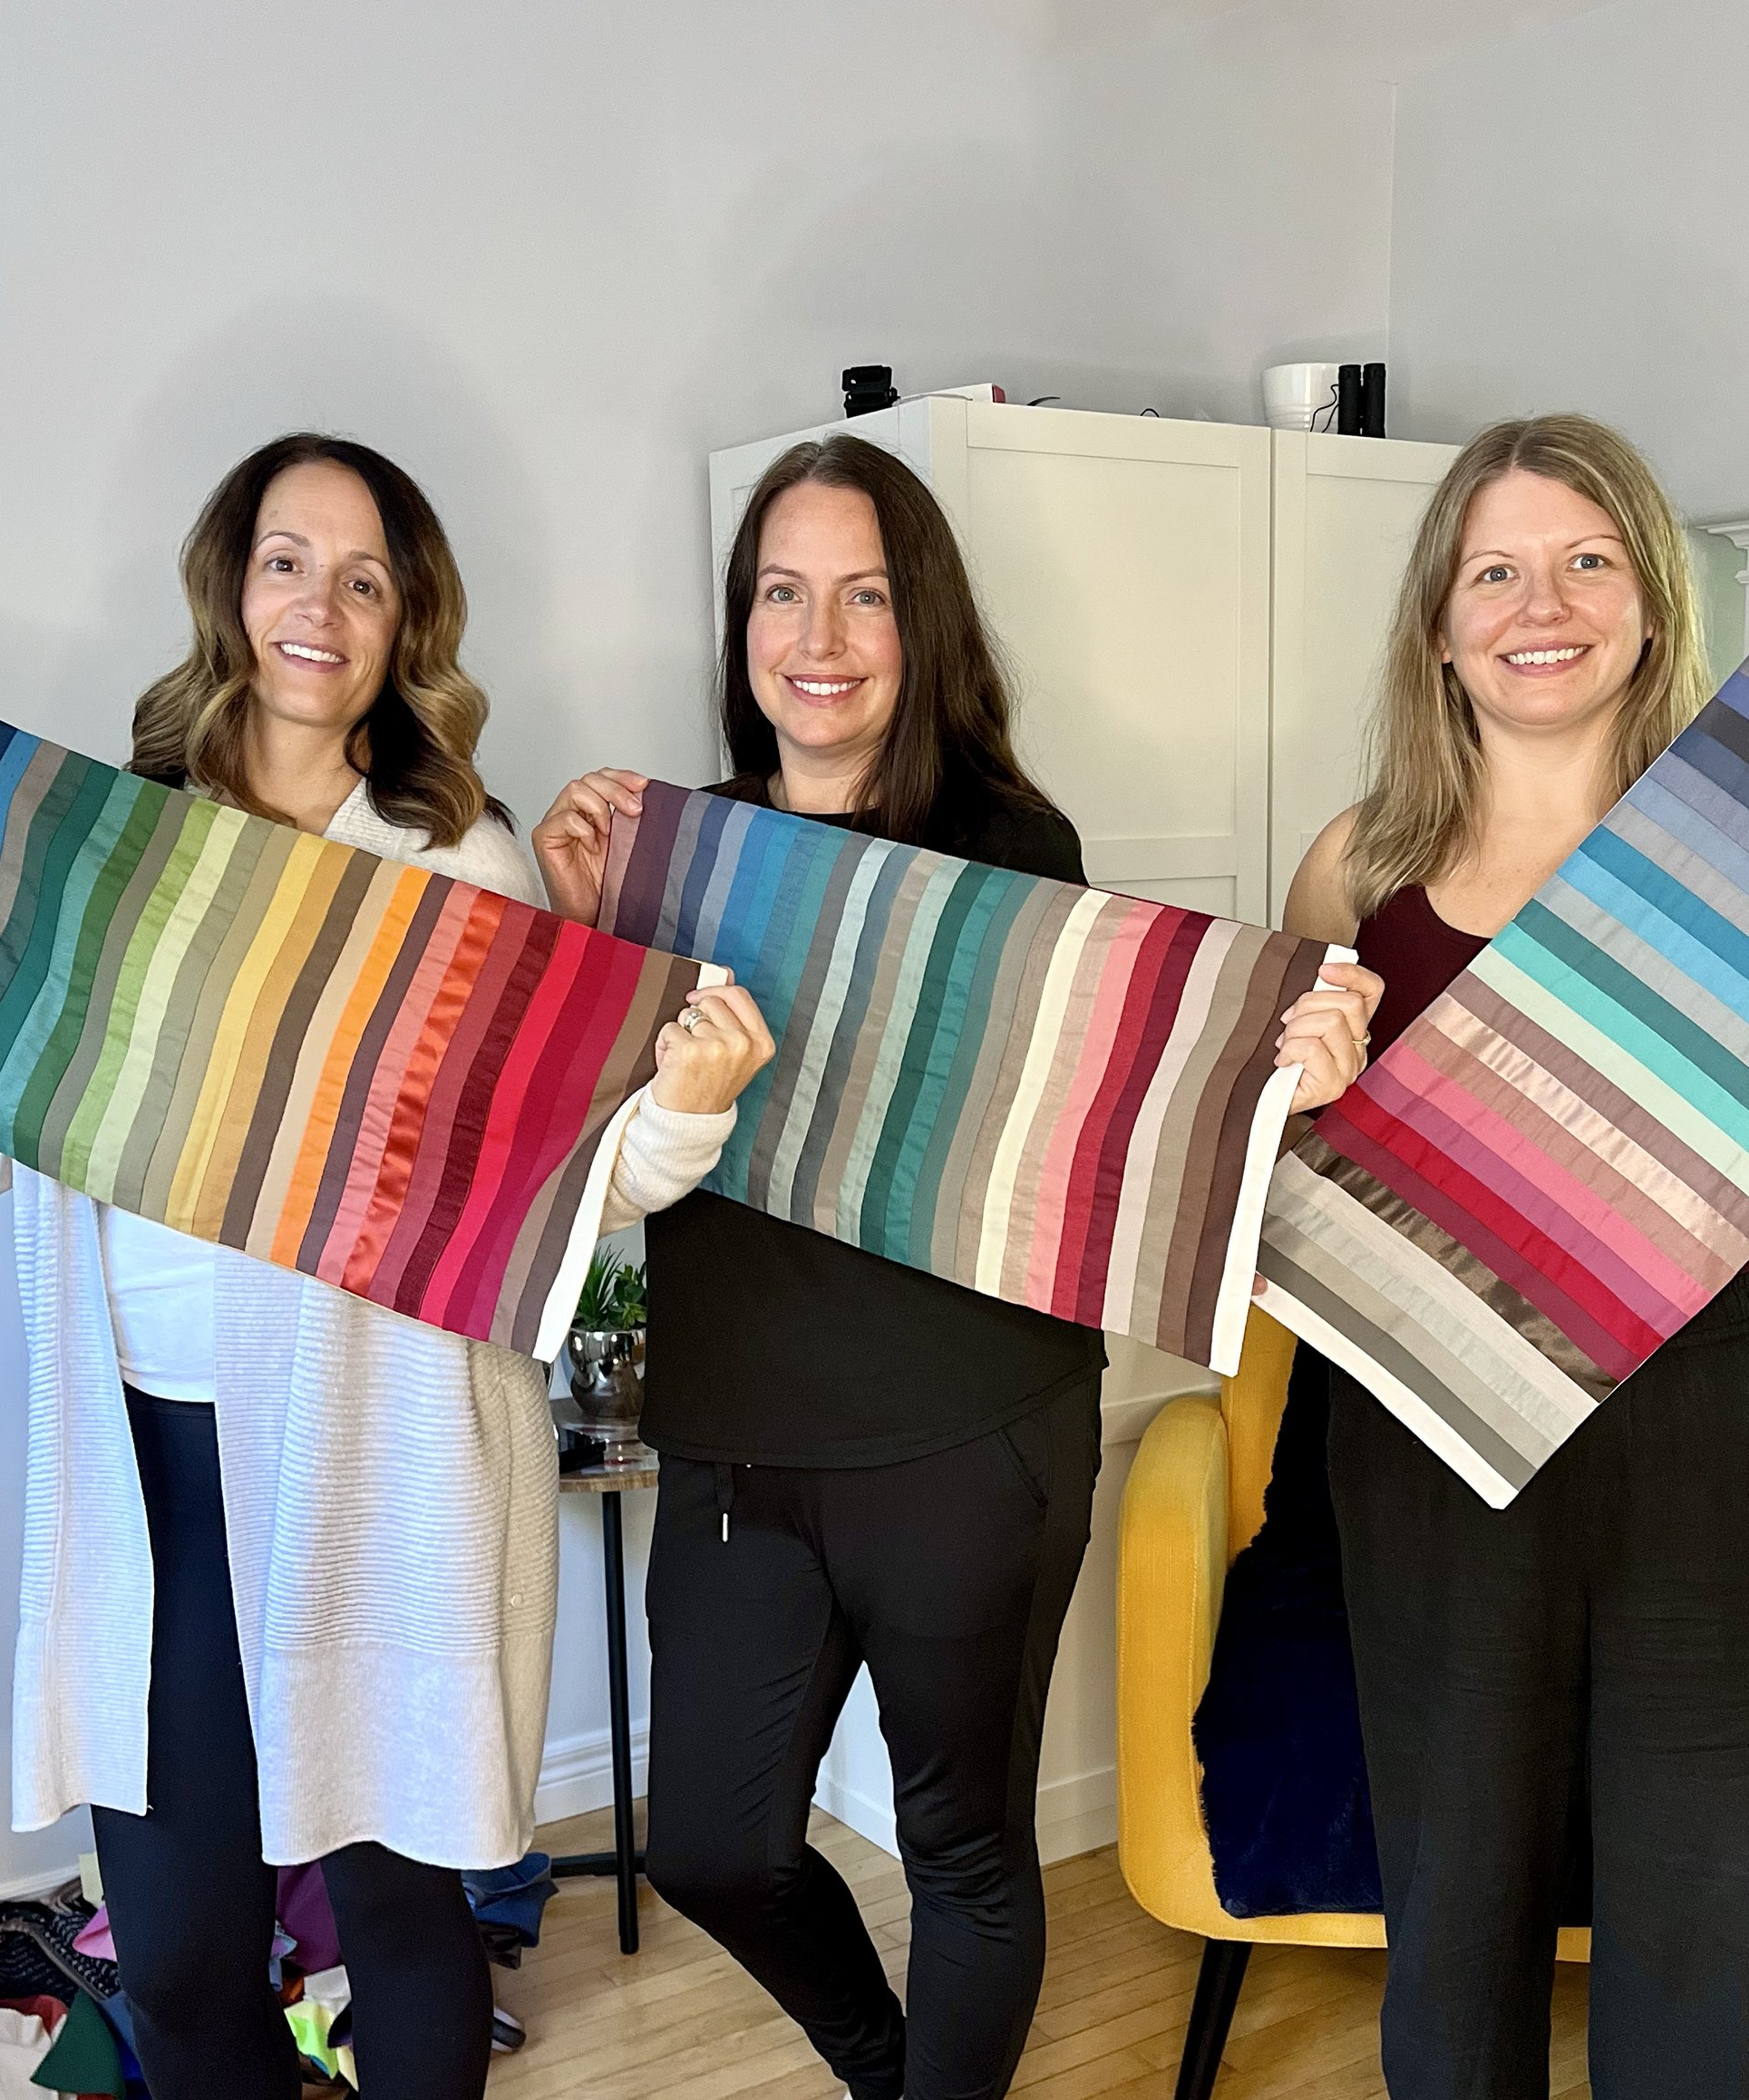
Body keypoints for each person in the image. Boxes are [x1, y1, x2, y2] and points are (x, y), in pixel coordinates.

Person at [0, 433, 773, 2100]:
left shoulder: (460, 866)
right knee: (184, 1938)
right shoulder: (115, 846)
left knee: (398, 1905)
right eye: (290, 560)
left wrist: (692, 1108)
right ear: (230, 584)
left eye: (365, 577)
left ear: (403, 621)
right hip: (151, 1464)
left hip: (382, 1470)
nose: (320, 602)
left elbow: (568, 1194)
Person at [531, 433, 1379, 2100]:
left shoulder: (1012, 847)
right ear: (741, 623)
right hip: (739, 1447)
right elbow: (588, 1158)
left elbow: (1121, 1095)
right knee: (710, 1840)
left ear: (923, 630)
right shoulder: (669, 851)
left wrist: (1287, 1056)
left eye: (864, 595)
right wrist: (581, 933)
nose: (821, 636)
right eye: (783, 592)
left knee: (964, 1851)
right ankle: (891, 2071)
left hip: (968, 1436)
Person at [1282, 412, 1749, 2100]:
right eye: (1492, 569)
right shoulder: (1356, 868)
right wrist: (1305, 1091)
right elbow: (1267, 1174)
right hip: (1435, 1418)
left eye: (1587, 560)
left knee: (1733, 1913)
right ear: (1439, 623)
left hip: (1717, 1417)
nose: (1539, 602)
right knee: (1458, 1911)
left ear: (1652, 603)